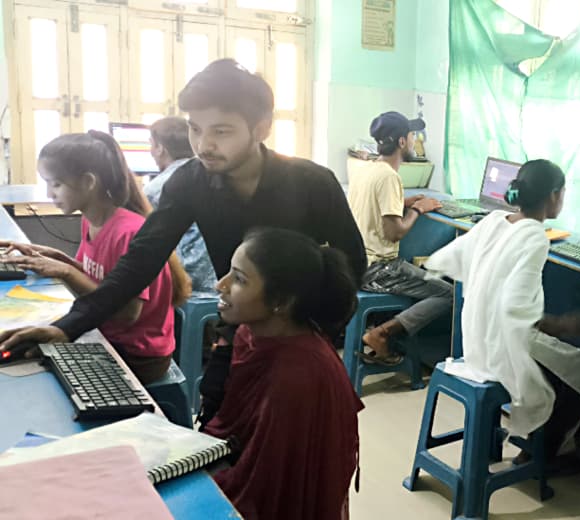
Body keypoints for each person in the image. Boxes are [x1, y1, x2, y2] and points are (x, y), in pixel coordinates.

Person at [0, 58, 366, 426]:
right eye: (195, 129)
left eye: (221, 131)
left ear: (261, 128)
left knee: (293, 440)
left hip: (299, 337)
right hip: (237, 330)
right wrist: (68, 327)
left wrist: (318, 335)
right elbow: (142, 258)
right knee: (219, 424)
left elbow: (351, 264)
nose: (204, 145)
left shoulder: (312, 182)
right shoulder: (191, 181)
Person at [422, 159, 580, 462]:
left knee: (559, 365)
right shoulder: (535, 236)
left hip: (475, 339)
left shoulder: (494, 219)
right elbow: (515, 307)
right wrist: (561, 325)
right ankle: (539, 454)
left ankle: (523, 444)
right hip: (501, 346)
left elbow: (451, 257)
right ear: (554, 195)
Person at [0, 131, 190, 384]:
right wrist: (51, 257)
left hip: (138, 354)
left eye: (56, 184)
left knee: (30, 364)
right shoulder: (91, 220)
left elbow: (127, 313)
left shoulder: (128, 232)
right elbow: (95, 275)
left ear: (89, 182)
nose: (49, 194)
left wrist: (66, 271)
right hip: (108, 334)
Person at [205, 227, 362, 520]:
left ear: (282, 302)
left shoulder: (296, 377)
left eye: (239, 279)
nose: (220, 285)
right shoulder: (250, 335)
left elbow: (264, 487)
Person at [353, 111, 448, 366]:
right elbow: (394, 232)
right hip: (380, 269)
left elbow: (375, 206)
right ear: (402, 142)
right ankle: (381, 333)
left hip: (358, 263)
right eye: (412, 135)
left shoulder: (367, 169)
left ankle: (385, 333)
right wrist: (418, 209)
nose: (415, 140)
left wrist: (403, 202)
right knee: (448, 294)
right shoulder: (389, 177)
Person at [143, 116, 216, 296]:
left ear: (160, 148)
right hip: (217, 280)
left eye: (151, 144)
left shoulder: (154, 189)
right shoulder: (212, 176)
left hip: (186, 283)